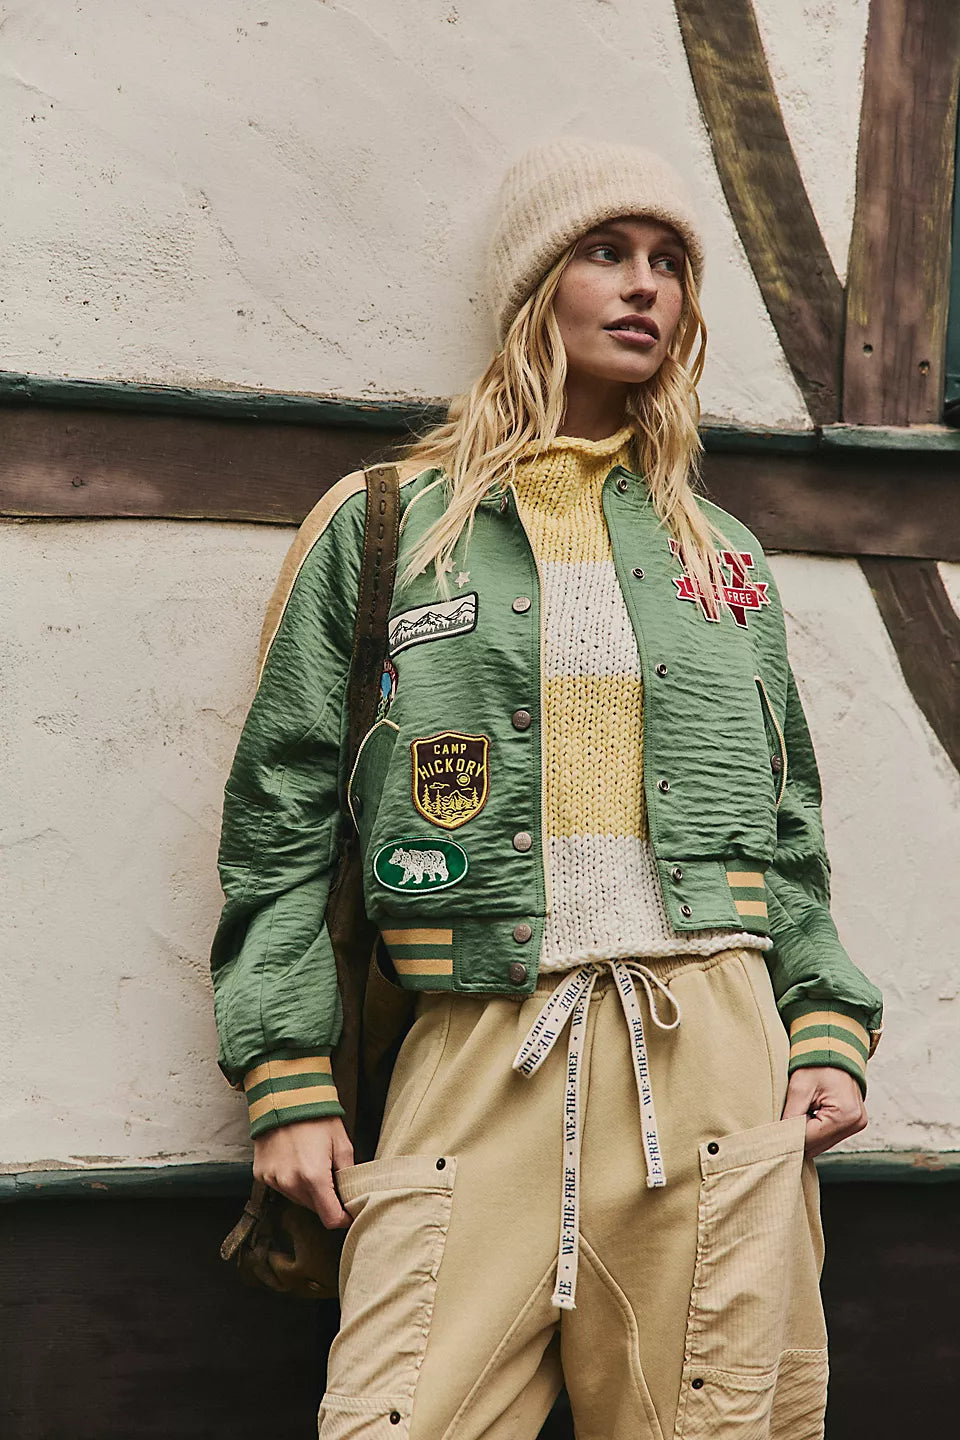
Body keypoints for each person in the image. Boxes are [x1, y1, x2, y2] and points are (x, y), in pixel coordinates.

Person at [209, 138, 884, 1440]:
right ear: (534, 289)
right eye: (605, 253)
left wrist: (825, 1025)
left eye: (671, 264)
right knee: (400, 1415)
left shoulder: (719, 554)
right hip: (478, 1046)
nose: (646, 289)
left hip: (718, 1054)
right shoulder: (391, 524)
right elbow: (281, 812)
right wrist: (286, 1071)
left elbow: (789, 827)